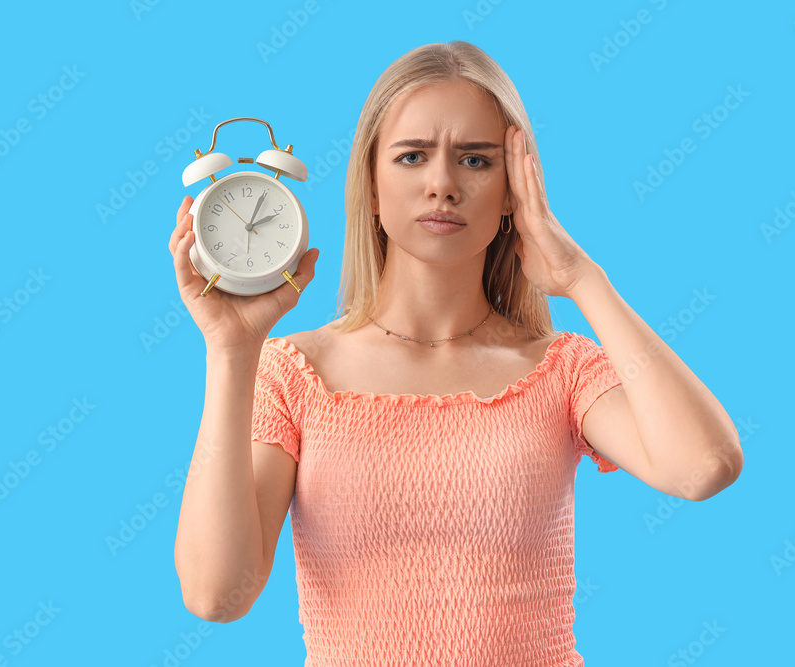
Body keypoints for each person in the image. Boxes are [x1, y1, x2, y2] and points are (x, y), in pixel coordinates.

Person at [171, 40, 743, 665]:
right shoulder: (294, 373)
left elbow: (703, 468)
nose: (441, 184)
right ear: (371, 180)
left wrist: (583, 279)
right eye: (412, 156)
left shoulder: (561, 371)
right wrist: (231, 352)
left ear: (512, 191)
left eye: (475, 160)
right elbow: (216, 595)